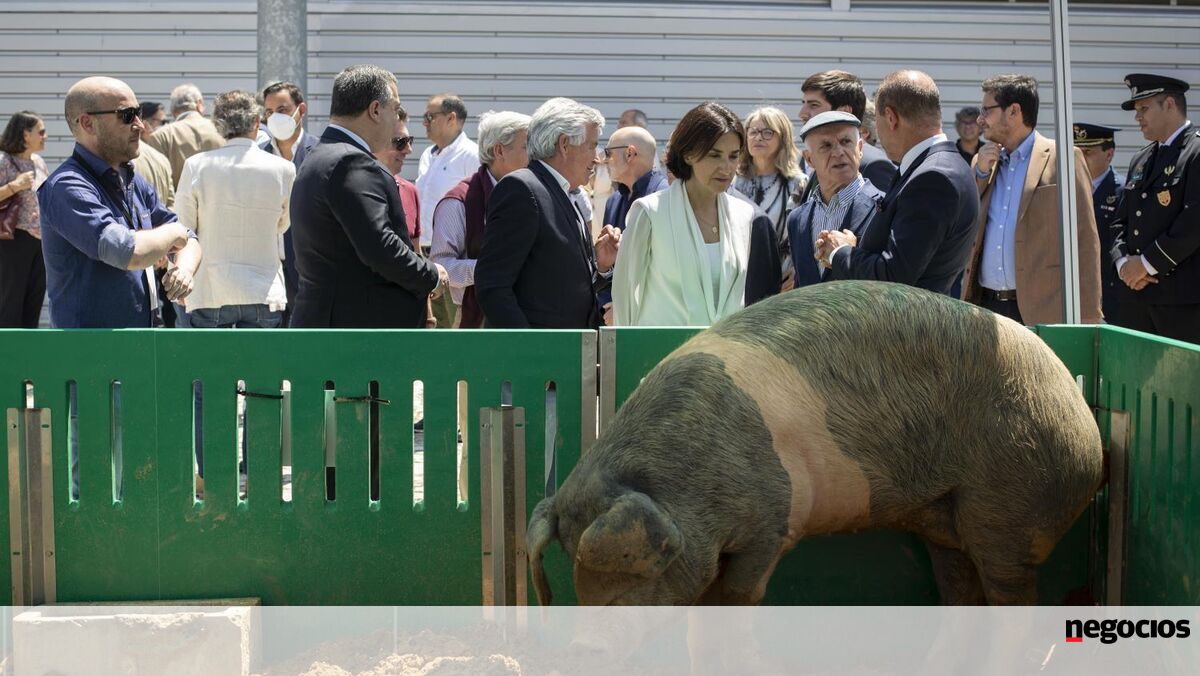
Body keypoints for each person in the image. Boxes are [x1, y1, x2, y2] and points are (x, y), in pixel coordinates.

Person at [288, 65, 447, 329]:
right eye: (395, 109)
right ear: (375, 110)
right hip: (357, 337)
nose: (397, 119)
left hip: (332, 328)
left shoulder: (319, 156)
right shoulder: (351, 161)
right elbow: (380, 246)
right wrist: (431, 275)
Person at [38, 76, 201, 328]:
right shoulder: (67, 186)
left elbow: (189, 240)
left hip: (137, 343)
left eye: (138, 113)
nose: (140, 125)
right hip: (90, 351)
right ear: (87, 123)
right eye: (127, 115)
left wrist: (184, 270)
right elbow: (127, 252)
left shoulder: (131, 178)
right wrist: (174, 232)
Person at [612, 101, 781, 326]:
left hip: (724, 356)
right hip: (660, 357)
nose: (726, 167)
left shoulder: (745, 216)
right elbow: (625, 302)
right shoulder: (649, 212)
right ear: (689, 154)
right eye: (714, 155)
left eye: (733, 156)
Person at [815, 70, 978, 297]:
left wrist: (839, 252)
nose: (877, 135)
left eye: (877, 124)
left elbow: (893, 276)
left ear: (891, 118)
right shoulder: (945, 165)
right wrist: (856, 247)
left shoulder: (932, 177)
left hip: (912, 327)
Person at [961, 74, 1103, 325]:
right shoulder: (983, 162)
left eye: (987, 110)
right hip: (985, 309)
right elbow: (964, 221)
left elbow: (1086, 241)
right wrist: (980, 172)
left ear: (1014, 111)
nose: (981, 119)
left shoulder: (1065, 159)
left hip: (1042, 312)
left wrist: (1089, 316)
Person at [474, 97, 619, 328]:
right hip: (540, 357)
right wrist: (531, 349)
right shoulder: (522, 189)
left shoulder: (563, 193)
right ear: (564, 144)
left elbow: (558, 286)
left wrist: (599, 267)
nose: (597, 158)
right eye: (592, 145)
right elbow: (493, 286)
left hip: (569, 352)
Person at [173, 90, 294, 328]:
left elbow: (183, 228)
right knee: (259, 365)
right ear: (258, 122)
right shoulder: (284, 169)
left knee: (210, 365)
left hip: (210, 289)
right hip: (264, 289)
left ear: (218, 126)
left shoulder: (196, 166)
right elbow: (284, 223)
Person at [1109, 73, 1199, 343]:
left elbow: (1193, 223)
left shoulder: (1195, 152)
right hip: (1135, 300)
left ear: (1169, 104)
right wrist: (1124, 263)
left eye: (1144, 108)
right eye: (1136, 110)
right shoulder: (1142, 158)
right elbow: (1119, 222)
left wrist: (1146, 265)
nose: (1138, 117)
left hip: (1181, 304)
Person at [430, 110, 530, 329]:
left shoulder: (532, 195)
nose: (535, 154)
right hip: (473, 318)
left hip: (525, 311)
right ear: (499, 150)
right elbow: (441, 267)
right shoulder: (457, 202)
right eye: (527, 146)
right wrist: (493, 269)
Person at [787, 111, 883, 289]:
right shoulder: (797, 219)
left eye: (846, 142)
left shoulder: (883, 207)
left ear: (860, 148)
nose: (838, 152)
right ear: (809, 159)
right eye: (826, 145)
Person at [259, 81, 318, 326]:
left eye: (282, 110)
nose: (274, 118)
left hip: (309, 269)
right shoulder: (259, 156)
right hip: (267, 269)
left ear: (300, 110)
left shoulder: (320, 151)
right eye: (269, 113)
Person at [734, 106, 804, 283]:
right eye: (753, 132)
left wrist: (797, 271)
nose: (758, 137)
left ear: (783, 138)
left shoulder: (798, 183)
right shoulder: (732, 181)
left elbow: (805, 235)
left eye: (767, 132)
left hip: (781, 280)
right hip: (737, 278)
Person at [798, 70, 897, 194]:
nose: (802, 114)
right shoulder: (820, 159)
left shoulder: (873, 165)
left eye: (814, 105)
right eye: (804, 104)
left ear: (844, 112)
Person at [0, 111, 50, 327]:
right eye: (41, 131)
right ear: (25, 134)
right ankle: (8, 356)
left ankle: (28, 356)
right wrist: (14, 186)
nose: (45, 136)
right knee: (11, 301)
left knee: (34, 299)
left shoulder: (38, 162)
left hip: (39, 240)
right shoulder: (3, 161)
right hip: (13, 240)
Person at [1074, 122, 1126, 321]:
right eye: (1076, 152)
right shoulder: (1063, 188)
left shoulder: (1123, 190)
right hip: (1073, 289)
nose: (1080, 158)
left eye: (1087, 152)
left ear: (1109, 153)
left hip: (1109, 292)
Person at [148, 83, 225, 188]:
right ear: (199, 105)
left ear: (174, 111)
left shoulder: (161, 136)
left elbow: (158, 181)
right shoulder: (222, 130)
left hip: (178, 202)